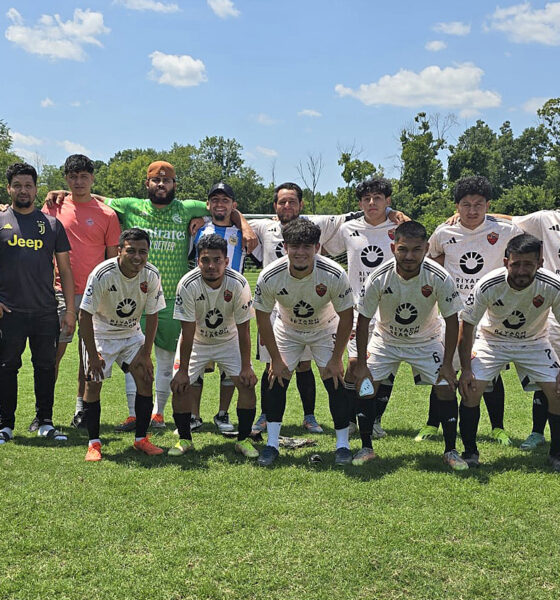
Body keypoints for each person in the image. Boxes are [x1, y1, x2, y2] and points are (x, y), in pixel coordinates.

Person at [47, 161, 256, 431]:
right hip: (135, 298)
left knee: (167, 357)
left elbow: (223, 208)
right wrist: (59, 192)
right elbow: (93, 196)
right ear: (147, 184)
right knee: (135, 359)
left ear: (174, 185)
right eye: (155, 181)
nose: (161, 185)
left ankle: (158, 413)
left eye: (166, 181)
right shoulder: (130, 205)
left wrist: (246, 227)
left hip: (174, 297)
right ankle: (135, 414)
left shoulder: (186, 208)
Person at [248, 181, 403, 436]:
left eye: (292, 201)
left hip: (341, 309)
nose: (287, 206)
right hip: (280, 310)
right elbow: (232, 215)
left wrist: (392, 213)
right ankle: (267, 419)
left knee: (366, 366)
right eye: (282, 201)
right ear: (274, 205)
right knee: (276, 368)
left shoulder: (327, 227)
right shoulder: (264, 227)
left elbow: (356, 216)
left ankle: (364, 418)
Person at [416, 175, 522, 445]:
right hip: (453, 314)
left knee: (490, 372)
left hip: (490, 314)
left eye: (478, 204)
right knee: (446, 369)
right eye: (465, 205)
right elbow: (433, 265)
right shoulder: (443, 232)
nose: (472, 211)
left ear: (488, 205)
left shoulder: (507, 231)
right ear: (456, 206)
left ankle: (497, 427)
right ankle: (432, 424)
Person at [354, 221, 467, 471]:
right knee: (365, 387)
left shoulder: (438, 277)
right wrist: (361, 365)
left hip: (426, 341)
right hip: (386, 340)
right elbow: (363, 322)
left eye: (416, 250)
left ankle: (450, 450)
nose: (409, 256)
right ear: (393, 247)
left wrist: (448, 365)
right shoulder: (378, 277)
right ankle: (366, 447)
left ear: (427, 248)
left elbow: (451, 320)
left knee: (446, 388)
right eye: (403, 249)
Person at [253, 218, 354, 466]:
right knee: (276, 378)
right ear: (285, 247)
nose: (300, 252)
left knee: (335, 379)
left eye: (307, 246)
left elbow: (347, 316)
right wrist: (276, 359)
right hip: (288, 328)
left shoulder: (333, 273)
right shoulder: (270, 275)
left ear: (317, 247)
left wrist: (336, 358)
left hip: (324, 328)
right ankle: (272, 444)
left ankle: (343, 445)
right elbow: (262, 317)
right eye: (295, 246)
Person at [458, 233, 560, 471]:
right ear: (506, 262)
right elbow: (468, 325)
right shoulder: (488, 284)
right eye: (516, 264)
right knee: (471, 391)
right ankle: (470, 452)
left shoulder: (552, 285)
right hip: (493, 341)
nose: (522, 271)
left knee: (557, 392)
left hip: (535, 342)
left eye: (529, 264)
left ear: (540, 263)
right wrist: (465, 369)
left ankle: (556, 454)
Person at [37, 154, 120, 431]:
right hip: (59, 292)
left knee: (89, 360)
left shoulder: (107, 214)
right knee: (51, 356)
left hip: (95, 296)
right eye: (73, 177)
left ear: (92, 178)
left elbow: (111, 261)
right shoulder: (53, 208)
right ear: (66, 179)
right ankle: (44, 414)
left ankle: (81, 411)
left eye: (84, 176)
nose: (79, 182)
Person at [322, 177, 404, 439]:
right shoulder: (348, 228)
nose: (372, 203)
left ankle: (374, 419)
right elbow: (325, 248)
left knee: (384, 366)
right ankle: (350, 418)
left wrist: (397, 216)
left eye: (378, 198)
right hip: (357, 306)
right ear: (360, 203)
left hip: (391, 306)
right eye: (366, 199)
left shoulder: (399, 226)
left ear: (387, 201)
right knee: (355, 363)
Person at [0, 163, 75, 445]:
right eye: (17, 185)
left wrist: (69, 310)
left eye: (28, 185)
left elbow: (65, 270)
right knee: (7, 367)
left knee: (45, 366)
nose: (23, 190)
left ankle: (45, 421)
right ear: (9, 188)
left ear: (36, 188)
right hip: (9, 311)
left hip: (45, 310)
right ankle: (5, 425)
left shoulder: (52, 225)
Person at [79, 228, 166, 461]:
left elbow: (154, 314)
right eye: (131, 251)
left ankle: (141, 440)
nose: (137, 257)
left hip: (131, 334)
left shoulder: (151, 274)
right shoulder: (102, 273)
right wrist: (93, 355)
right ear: (119, 250)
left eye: (143, 252)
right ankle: (94, 443)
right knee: (93, 384)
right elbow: (84, 316)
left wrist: (146, 354)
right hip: (101, 334)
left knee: (146, 378)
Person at [169, 234, 258, 458]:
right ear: (197, 261)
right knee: (179, 386)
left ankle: (244, 440)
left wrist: (246, 366)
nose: (211, 266)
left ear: (226, 261)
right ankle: (184, 439)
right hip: (198, 341)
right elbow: (187, 333)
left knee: (246, 384)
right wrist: (182, 371)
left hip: (228, 341)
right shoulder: (187, 284)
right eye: (205, 260)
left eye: (217, 260)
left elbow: (244, 330)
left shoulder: (238, 283)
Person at [487, 207, 560, 450]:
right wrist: (463, 213)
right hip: (551, 307)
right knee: (548, 379)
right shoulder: (546, 218)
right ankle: (538, 432)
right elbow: (511, 219)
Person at [188, 182, 246, 433]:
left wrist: (243, 222)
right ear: (208, 204)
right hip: (200, 300)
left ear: (233, 205)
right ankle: (193, 415)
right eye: (215, 200)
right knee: (195, 361)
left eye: (226, 200)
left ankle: (223, 414)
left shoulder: (244, 232)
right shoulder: (197, 227)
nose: (220, 204)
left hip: (232, 301)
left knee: (229, 363)